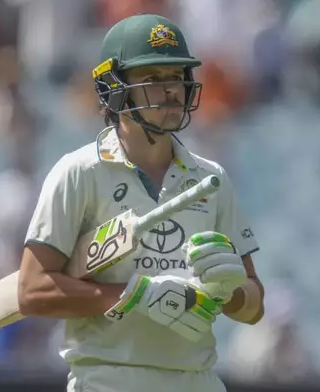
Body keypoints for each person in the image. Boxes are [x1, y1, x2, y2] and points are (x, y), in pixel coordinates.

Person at [17, 13, 264, 392]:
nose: (171, 91)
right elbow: (32, 292)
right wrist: (134, 295)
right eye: (153, 79)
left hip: (196, 381)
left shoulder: (211, 178)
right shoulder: (78, 173)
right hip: (107, 379)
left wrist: (227, 291)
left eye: (177, 77)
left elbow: (254, 305)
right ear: (114, 89)